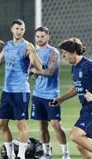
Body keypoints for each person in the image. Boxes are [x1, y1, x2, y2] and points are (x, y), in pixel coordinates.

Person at [53, 37, 92, 159]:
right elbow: (76, 88)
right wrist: (61, 99)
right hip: (87, 108)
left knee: (75, 135)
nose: (64, 56)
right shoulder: (75, 67)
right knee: (81, 145)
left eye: (65, 53)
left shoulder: (89, 65)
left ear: (73, 52)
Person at [0, 19, 42, 159]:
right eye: (17, 28)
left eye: (22, 29)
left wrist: (33, 52)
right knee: (1, 124)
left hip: (20, 91)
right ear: (11, 29)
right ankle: (9, 155)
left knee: (20, 124)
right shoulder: (7, 45)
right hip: (6, 91)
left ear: (24, 31)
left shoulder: (27, 46)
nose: (19, 31)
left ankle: (20, 155)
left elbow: (39, 66)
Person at [29, 27, 70, 159]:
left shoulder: (54, 53)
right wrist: (30, 72)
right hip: (37, 94)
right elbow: (30, 71)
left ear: (48, 37)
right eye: (38, 36)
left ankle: (65, 152)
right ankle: (46, 153)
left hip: (51, 94)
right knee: (42, 126)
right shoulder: (33, 53)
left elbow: (51, 72)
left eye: (42, 36)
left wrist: (36, 71)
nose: (40, 39)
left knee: (56, 124)